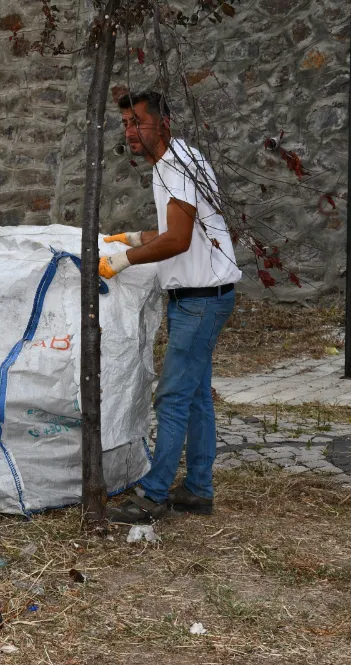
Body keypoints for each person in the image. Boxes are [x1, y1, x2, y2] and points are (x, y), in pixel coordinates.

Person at [99, 90, 242, 524]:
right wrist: (140, 238)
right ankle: (198, 489)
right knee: (197, 398)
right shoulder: (184, 158)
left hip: (199, 301)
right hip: (206, 296)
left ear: (163, 122)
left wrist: (122, 260)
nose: (131, 132)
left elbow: (178, 239)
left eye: (138, 122)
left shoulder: (174, 167)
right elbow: (184, 228)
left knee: (173, 397)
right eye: (126, 124)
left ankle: (154, 494)